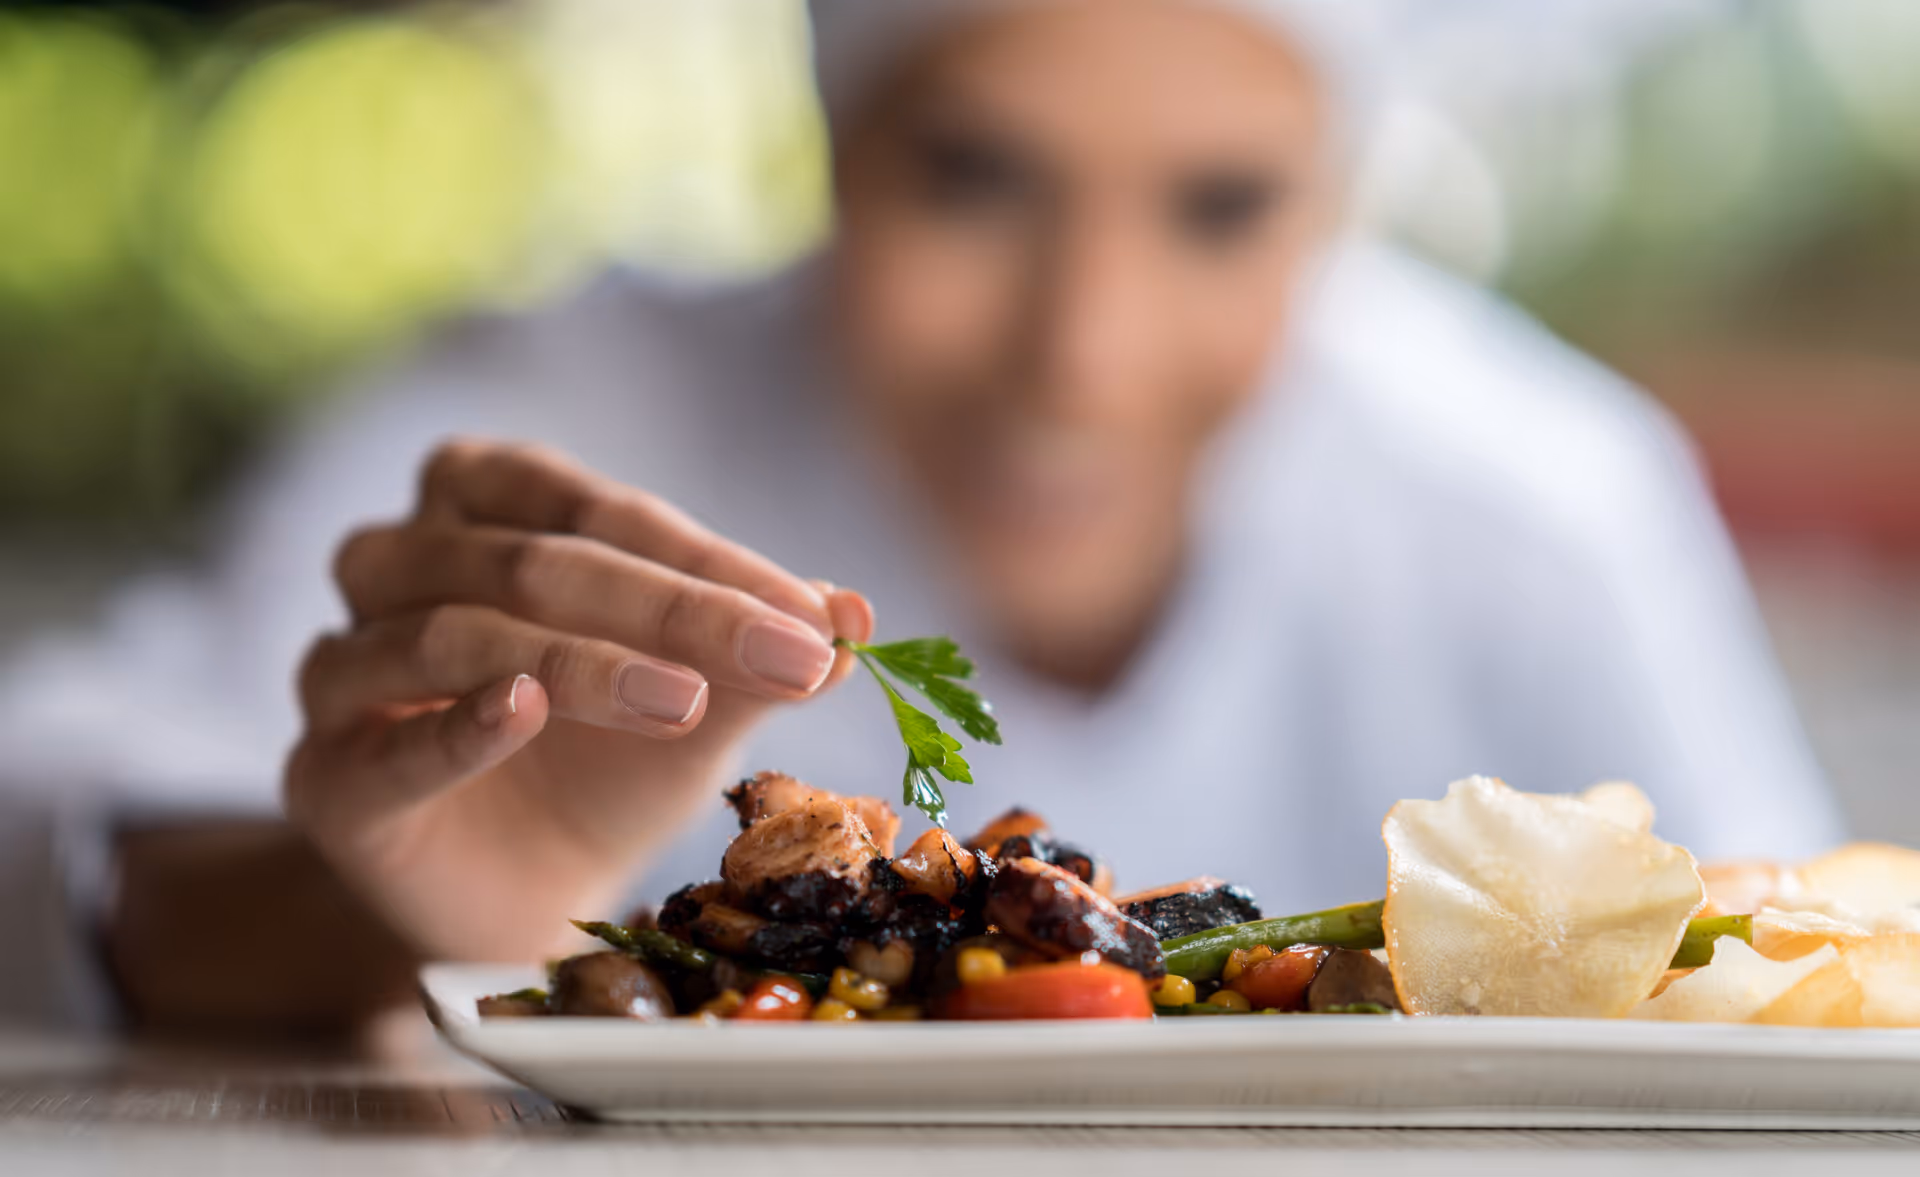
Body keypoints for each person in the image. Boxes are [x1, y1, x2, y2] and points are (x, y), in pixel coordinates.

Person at [0, 0, 1843, 1036]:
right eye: (975, 178)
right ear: (832, 138)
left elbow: (1803, 981)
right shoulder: (561, 417)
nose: (1084, 357)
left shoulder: (1540, 499)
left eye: (1216, 208)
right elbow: (58, 849)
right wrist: (381, 910)